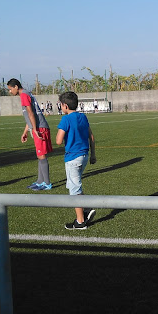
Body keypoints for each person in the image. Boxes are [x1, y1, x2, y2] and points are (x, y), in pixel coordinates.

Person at [56, 91, 97, 230]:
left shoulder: (65, 120)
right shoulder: (83, 117)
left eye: (60, 104)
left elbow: (58, 140)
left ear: (65, 105)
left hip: (72, 157)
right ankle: (85, 210)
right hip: (84, 156)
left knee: (74, 189)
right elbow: (91, 136)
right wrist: (93, 155)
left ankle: (80, 222)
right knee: (75, 185)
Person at [7, 78, 53, 191]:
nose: (10, 91)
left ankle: (47, 183)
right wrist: (26, 131)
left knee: (41, 155)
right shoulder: (27, 93)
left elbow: (30, 113)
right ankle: (40, 181)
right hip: (38, 127)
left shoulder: (24, 95)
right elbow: (30, 115)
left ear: (16, 87)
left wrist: (35, 129)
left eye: (10, 89)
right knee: (39, 155)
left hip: (40, 128)